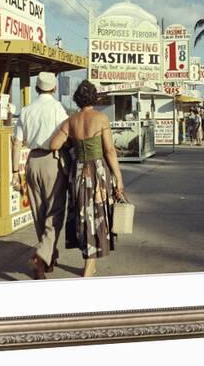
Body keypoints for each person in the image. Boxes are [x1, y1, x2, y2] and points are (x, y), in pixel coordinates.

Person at [50, 80, 124, 278]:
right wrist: (119, 179)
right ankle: (89, 266)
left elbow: (54, 144)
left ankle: (90, 261)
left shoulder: (71, 121)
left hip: (79, 171)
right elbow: (109, 150)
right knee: (97, 216)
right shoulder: (101, 119)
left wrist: (72, 145)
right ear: (95, 97)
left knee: (84, 215)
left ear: (77, 99)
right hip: (98, 171)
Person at [11, 72, 68, 280]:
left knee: (38, 211)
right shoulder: (57, 108)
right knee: (55, 210)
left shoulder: (26, 111)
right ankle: (41, 256)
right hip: (52, 160)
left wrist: (15, 171)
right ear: (53, 88)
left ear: (37, 88)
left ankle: (48, 258)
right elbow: (65, 135)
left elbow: (17, 142)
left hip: (31, 161)